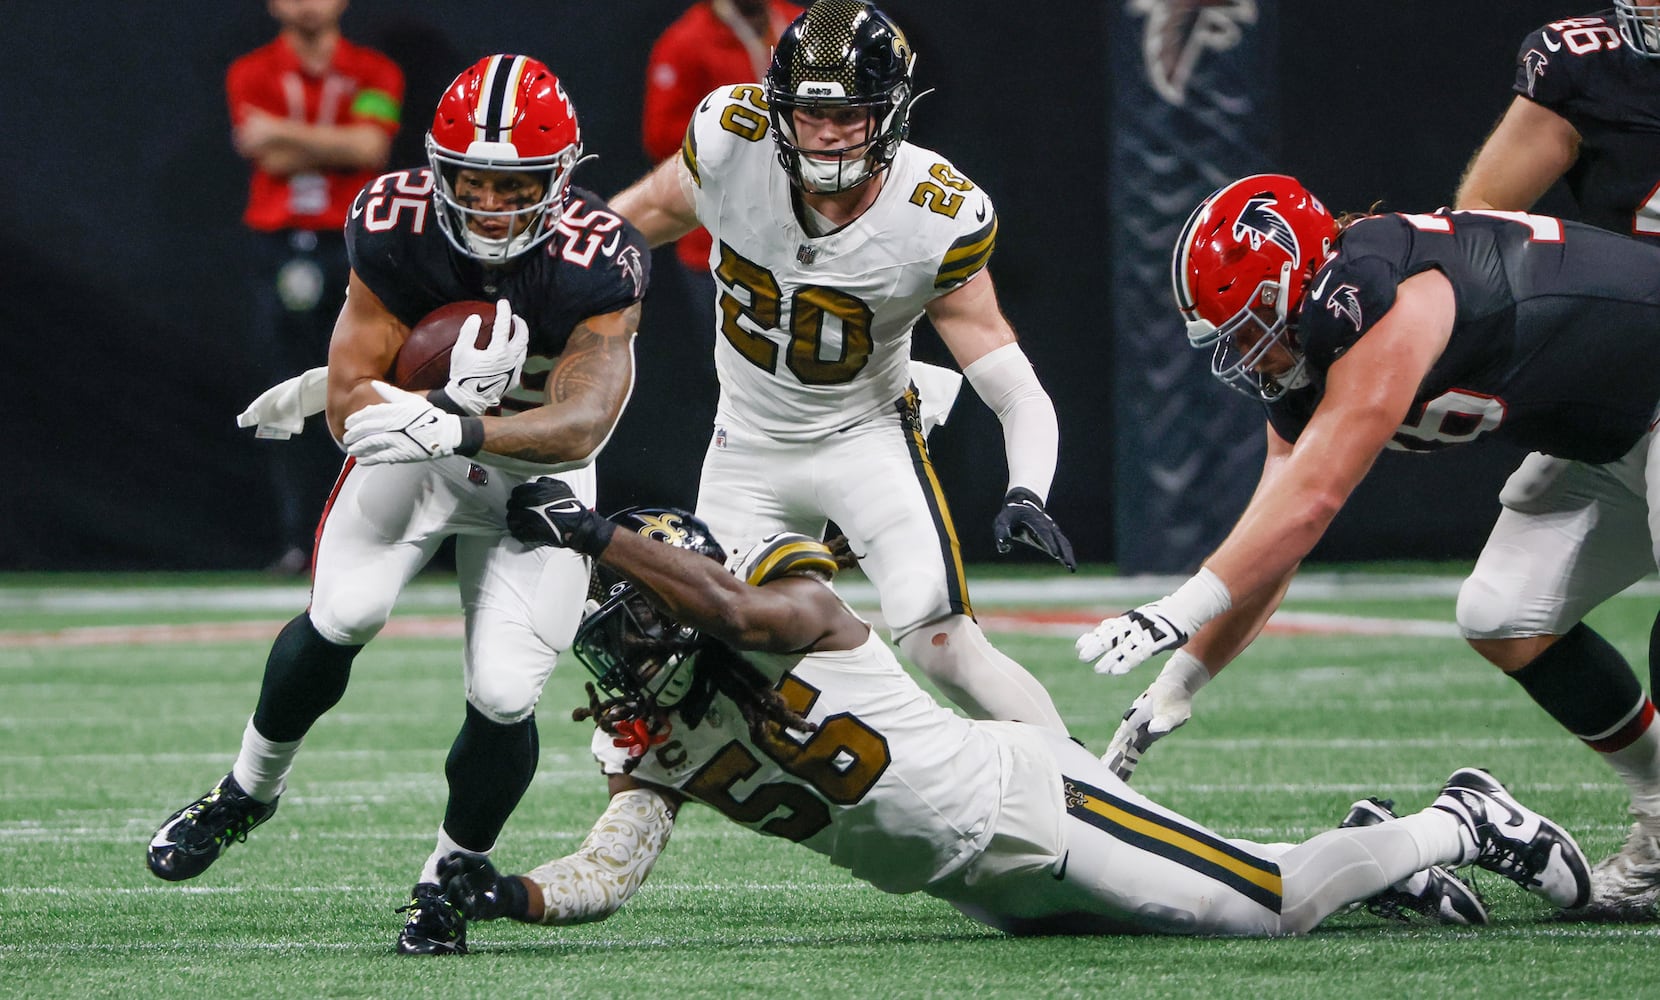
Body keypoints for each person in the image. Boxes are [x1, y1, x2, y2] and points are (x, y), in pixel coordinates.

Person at [423, 478, 1588, 945]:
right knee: (1236, 897)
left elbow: (730, 599)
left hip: (1031, 800)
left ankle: (1460, 821)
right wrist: (509, 892)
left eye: (628, 615)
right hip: (980, 886)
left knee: (1269, 911)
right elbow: (608, 868)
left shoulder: (792, 610)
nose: (613, 645)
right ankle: (1376, 849)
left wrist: (587, 529)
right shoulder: (645, 733)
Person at [147, 54, 652, 956]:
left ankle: (449, 877)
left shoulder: (597, 257)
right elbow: (349, 400)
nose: (492, 204)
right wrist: (397, 411)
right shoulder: (391, 223)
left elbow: (580, 424)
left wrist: (462, 428)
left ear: (560, 179)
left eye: (514, 185)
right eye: (472, 181)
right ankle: (245, 792)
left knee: (502, 691)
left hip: (525, 470)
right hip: (420, 443)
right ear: (436, 170)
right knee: (344, 608)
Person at [1077, 173, 1660, 921]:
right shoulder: (1309, 342)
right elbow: (1275, 531)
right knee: (1504, 614)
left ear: (1297, 273)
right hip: (1615, 434)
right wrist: (1181, 680)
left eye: (1252, 325)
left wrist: (1178, 608)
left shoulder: (1379, 294)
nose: (1251, 356)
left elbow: (1317, 502)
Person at [610, 0, 1075, 735]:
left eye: (852, 115)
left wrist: (1029, 490)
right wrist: (567, 266)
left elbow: (1014, 384)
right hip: (746, 446)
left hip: (864, 436)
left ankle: (1079, 793)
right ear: (775, 106)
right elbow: (642, 217)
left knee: (940, 640)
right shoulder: (733, 142)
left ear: (891, 110)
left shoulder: (934, 211)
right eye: (809, 114)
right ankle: (624, 841)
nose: (828, 134)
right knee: (681, 655)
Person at [1449, 4, 1660, 918]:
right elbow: (1478, 228)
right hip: (1625, 385)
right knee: (1502, 611)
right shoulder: (1586, 60)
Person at [227, 0, 403, 575]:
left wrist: (283, 131)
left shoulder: (376, 71)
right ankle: (296, 538)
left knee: (368, 385)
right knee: (283, 394)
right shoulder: (251, 71)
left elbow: (370, 148)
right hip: (277, 242)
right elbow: (263, 152)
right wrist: (336, 140)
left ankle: (373, 531)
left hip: (352, 240)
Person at [641, 0, 802, 299]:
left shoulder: (798, 26)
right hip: (719, 238)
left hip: (799, 231)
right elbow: (660, 137)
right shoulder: (686, 42)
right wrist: (740, 136)